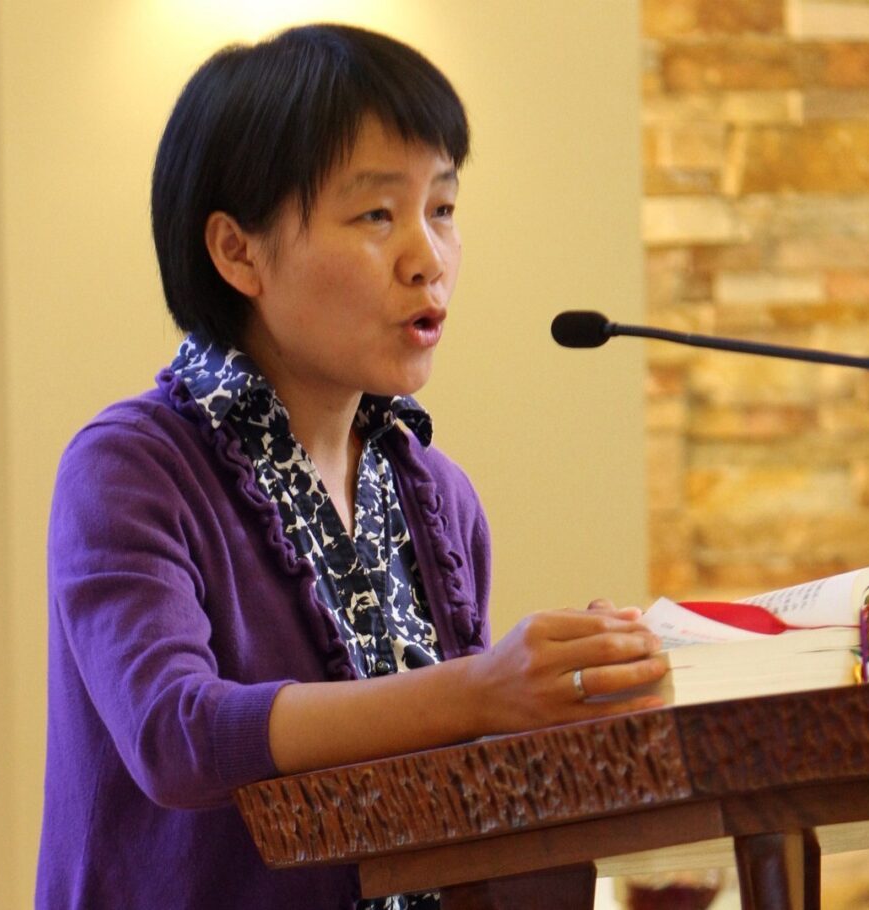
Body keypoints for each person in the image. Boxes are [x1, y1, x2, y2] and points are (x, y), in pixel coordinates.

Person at [37, 23, 667, 910]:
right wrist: (481, 692)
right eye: (377, 213)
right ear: (237, 251)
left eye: (442, 208)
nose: (428, 258)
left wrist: (588, 725)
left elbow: (458, 797)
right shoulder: (132, 468)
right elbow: (175, 735)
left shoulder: (435, 495)